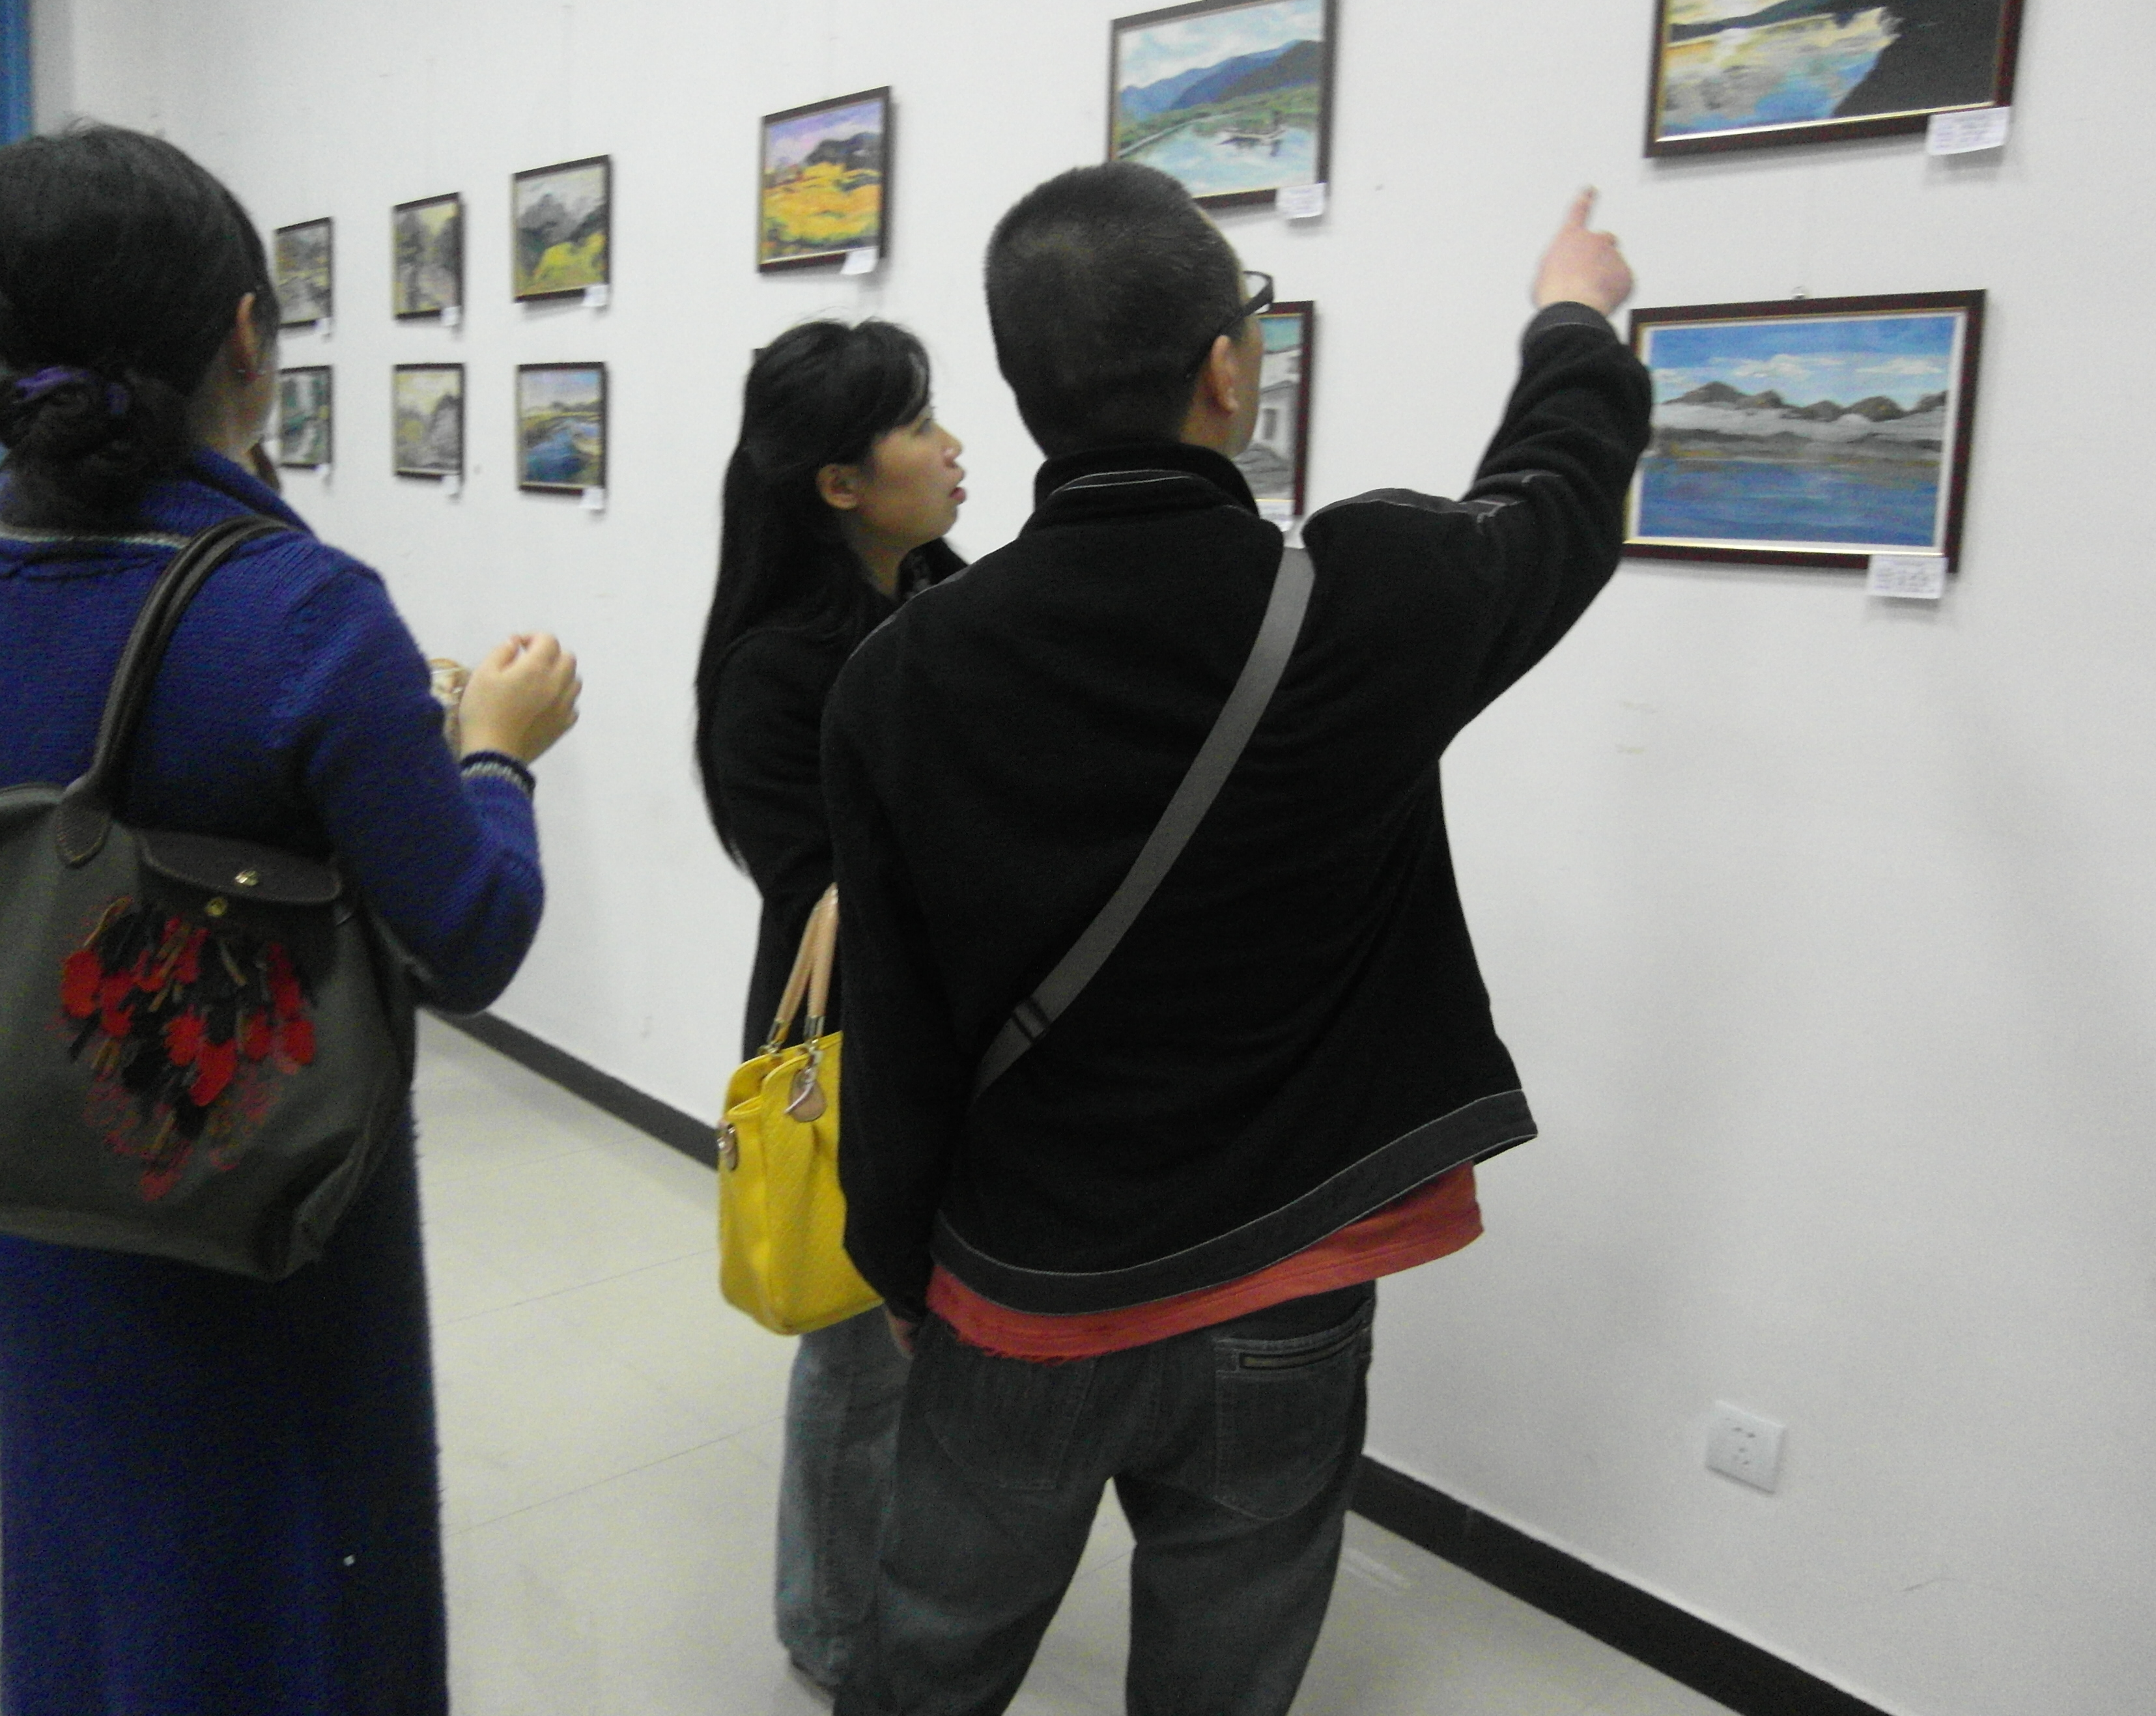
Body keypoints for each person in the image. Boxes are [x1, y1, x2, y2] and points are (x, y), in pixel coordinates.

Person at [820, 163, 1647, 1716]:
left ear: (1023, 386)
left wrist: (898, 1267)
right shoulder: (1369, 597)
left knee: (928, 1659)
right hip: (1289, 1272)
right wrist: (1570, 319)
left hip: (1021, 1286)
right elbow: (1556, 499)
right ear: (1224, 368)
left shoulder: (899, 678)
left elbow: (901, 1027)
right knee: (1226, 1674)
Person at [0, 123, 581, 1714]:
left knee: (105, 1576)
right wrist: (495, 756)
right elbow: (473, 936)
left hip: (53, 1172)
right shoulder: (306, 608)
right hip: (260, 1202)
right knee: (292, 1587)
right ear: (244, 333)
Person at [694, 319, 965, 1695]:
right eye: (918, 425)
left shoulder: (951, 595)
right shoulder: (778, 666)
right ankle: (836, 1631)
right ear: (840, 484)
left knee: (948, 1351)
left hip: (974, 1038)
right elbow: (828, 895)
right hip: (862, 1053)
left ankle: (913, 1592)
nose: (953, 448)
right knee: (862, 1360)